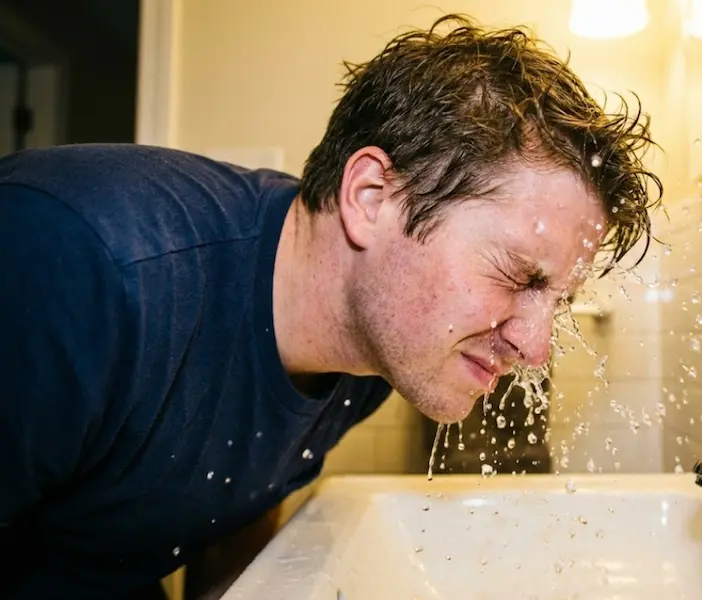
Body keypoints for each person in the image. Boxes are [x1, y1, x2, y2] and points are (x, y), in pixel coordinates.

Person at [0, 13, 661, 600]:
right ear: (371, 197)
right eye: (518, 275)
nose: (536, 348)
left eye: (560, 301)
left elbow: (234, 491)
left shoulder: (375, 352)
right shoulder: (73, 263)